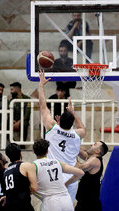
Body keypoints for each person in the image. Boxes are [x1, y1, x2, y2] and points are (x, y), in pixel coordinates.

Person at [38, 70, 86, 202]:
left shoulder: (52, 128)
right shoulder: (77, 134)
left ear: (58, 120)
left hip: (53, 176)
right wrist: (72, 111)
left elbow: (43, 106)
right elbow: (82, 128)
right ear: (72, 124)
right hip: (71, 178)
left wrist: (41, 85)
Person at [32, 139, 84, 211]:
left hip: (51, 201)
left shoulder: (33, 165)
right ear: (47, 151)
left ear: (33, 151)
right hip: (66, 199)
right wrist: (67, 183)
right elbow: (80, 173)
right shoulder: (57, 162)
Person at [3, 143, 43, 211]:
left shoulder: (6, 170)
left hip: (9, 209)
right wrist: (24, 191)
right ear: (21, 153)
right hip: (23, 207)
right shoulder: (26, 165)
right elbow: (34, 187)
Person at [74, 141, 108, 211]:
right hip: (84, 205)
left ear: (97, 151)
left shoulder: (95, 161)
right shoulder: (91, 158)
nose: (90, 145)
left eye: (94, 144)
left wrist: (70, 156)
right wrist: (71, 144)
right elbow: (82, 153)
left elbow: (79, 167)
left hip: (90, 207)